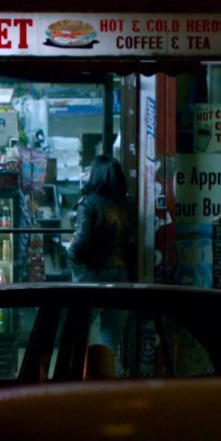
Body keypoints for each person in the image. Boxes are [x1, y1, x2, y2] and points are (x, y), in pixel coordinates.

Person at [67, 155, 132, 370]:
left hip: (91, 276)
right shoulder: (123, 205)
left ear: (97, 175)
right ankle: (108, 382)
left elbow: (81, 241)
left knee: (77, 333)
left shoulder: (88, 203)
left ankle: (76, 380)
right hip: (120, 274)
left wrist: (72, 258)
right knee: (111, 337)